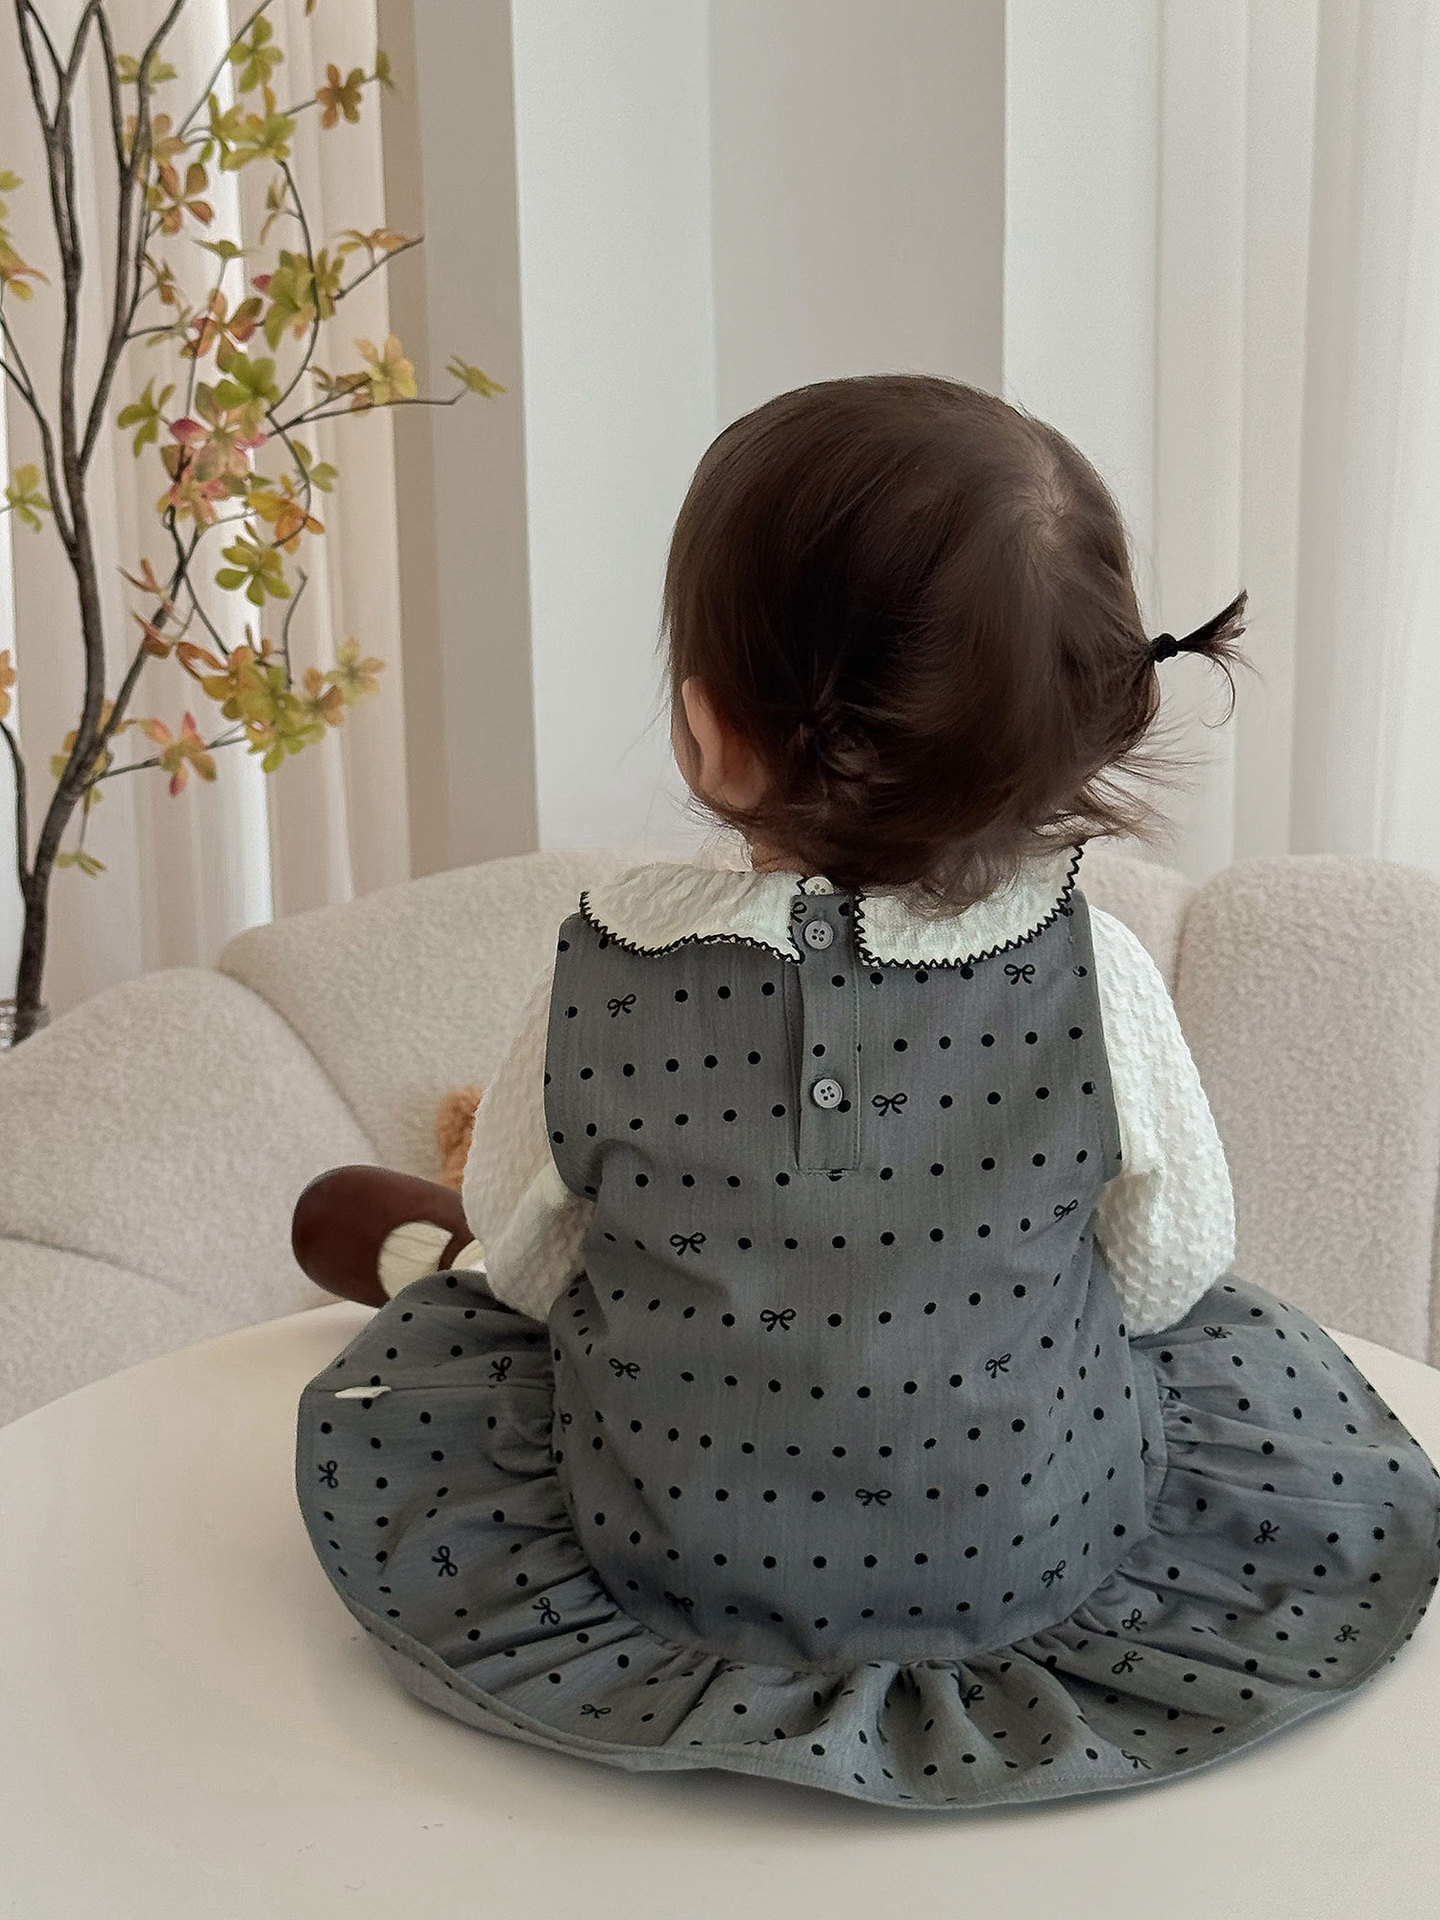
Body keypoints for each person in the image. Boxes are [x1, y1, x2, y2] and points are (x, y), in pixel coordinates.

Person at [293, 375, 1440, 1811]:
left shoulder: (604, 973)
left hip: (671, 1558)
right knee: (1202, 1338)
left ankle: (420, 1271)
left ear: (709, 730)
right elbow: (1170, 1272)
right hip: (1041, 1551)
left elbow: (526, 1266)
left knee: (486, 1322)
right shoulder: (1095, 975)